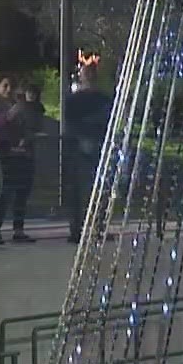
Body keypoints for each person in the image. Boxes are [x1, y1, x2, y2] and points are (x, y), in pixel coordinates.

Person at [60, 59, 112, 243]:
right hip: (90, 146)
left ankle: (83, 228)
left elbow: (70, 124)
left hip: (84, 146)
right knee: (90, 189)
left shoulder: (76, 100)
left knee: (83, 189)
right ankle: (90, 227)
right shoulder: (101, 99)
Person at [0, 75, 37, 243]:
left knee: (22, 191)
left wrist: (27, 138)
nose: (8, 90)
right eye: (5, 86)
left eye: (11, 86)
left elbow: (30, 124)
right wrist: (9, 116)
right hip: (6, 153)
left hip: (23, 152)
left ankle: (19, 228)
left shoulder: (19, 105)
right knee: (4, 192)